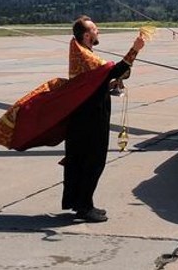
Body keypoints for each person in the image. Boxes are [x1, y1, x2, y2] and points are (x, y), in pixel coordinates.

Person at [61, 16, 145, 222]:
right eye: (95, 29)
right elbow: (114, 70)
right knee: (93, 161)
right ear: (87, 35)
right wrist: (135, 49)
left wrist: (108, 85)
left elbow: (94, 82)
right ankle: (85, 207)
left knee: (80, 161)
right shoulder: (85, 56)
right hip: (90, 119)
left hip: (83, 117)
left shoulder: (82, 53)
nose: (98, 32)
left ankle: (80, 203)